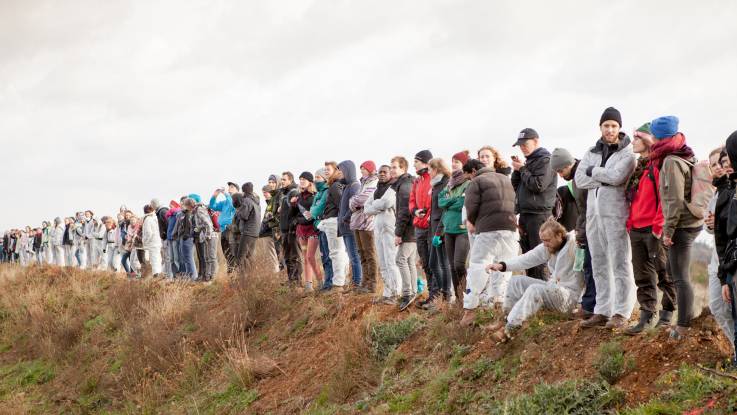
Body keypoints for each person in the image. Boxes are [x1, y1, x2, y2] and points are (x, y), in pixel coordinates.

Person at [576, 107, 637, 329]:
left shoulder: (628, 153)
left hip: (616, 214)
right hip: (594, 216)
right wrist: (604, 178)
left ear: (619, 128)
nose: (610, 129)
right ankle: (603, 309)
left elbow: (618, 176)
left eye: (614, 126)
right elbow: (580, 178)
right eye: (606, 125)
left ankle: (622, 311)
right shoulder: (591, 151)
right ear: (600, 127)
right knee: (599, 263)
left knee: (620, 262)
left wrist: (596, 173)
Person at [649, 116, 704, 339]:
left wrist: (668, 232)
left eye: (653, 135)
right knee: (676, 273)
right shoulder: (684, 152)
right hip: (689, 221)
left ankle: (683, 325)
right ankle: (683, 320)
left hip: (682, 225)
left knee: (680, 277)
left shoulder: (671, 161)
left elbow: (673, 200)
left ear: (659, 137)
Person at [486, 219, 583, 341]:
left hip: (569, 297)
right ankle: (506, 319)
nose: (545, 244)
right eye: (543, 241)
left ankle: (510, 329)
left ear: (559, 235)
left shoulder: (574, 245)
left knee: (535, 289)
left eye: (548, 240)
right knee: (516, 281)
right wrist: (502, 265)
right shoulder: (548, 247)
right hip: (555, 291)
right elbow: (527, 259)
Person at [623, 123, 677, 334]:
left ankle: (667, 314)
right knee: (642, 276)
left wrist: (658, 227)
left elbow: (665, 199)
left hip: (653, 229)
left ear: (646, 141)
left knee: (664, 273)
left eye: (636, 138)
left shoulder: (657, 165)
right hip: (636, 229)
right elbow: (634, 199)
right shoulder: (639, 167)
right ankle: (646, 317)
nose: (632, 142)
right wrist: (630, 222)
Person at [461, 159, 520, 326]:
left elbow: (470, 207)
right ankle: (499, 304)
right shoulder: (505, 179)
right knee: (504, 267)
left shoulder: (477, 181)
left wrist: (473, 221)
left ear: (473, 171)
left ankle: (470, 310)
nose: (468, 180)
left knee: (478, 266)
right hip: (510, 228)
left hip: (487, 229)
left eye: (467, 176)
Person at [550, 148, 595, 320]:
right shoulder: (577, 175)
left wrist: (580, 232)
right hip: (587, 227)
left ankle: (590, 306)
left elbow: (585, 209)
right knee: (588, 268)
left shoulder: (580, 176)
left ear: (569, 164)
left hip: (592, 228)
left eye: (561, 170)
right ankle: (589, 305)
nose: (561, 175)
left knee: (591, 269)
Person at [511, 128, 557, 280]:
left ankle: (543, 296)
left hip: (540, 216)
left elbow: (538, 185)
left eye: (525, 143)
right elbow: (516, 186)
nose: (523, 147)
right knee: (528, 257)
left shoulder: (545, 160)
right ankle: (532, 294)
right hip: (526, 214)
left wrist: (523, 169)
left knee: (539, 259)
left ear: (536, 141)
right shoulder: (529, 162)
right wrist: (517, 171)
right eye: (520, 145)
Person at [706, 147, 734, 347]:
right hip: (717, 259)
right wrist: (709, 224)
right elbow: (711, 228)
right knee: (716, 306)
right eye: (713, 165)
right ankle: (734, 347)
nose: (718, 168)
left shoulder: (732, 189)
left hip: (730, 259)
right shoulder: (716, 192)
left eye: (721, 163)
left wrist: (719, 222)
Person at [365, 164, 402, 304]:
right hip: (378, 229)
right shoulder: (376, 190)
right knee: (383, 262)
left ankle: (396, 292)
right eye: (380, 172)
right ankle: (387, 293)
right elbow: (366, 209)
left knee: (391, 261)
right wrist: (377, 205)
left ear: (390, 174)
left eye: (385, 172)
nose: (382, 174)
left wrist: (374, 205)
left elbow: (387, 203)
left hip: (390, 228)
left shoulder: (393, 188)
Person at [438, 151, 472, 304]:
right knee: (452, 266)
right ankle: (459, 299)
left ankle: (467, 295)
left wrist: (450, 201)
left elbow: (462, 204)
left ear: (464, 164)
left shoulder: (468, 182)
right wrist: (453, 200)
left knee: (459, 264)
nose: (453, 164)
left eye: (457, 162)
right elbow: (441, 202)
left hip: (462, 229)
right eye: (452, 161)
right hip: (448, 228)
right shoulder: (449, 183)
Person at [424, 158, 452, 310]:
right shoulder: (435, 185)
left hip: (441, 229)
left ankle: (446, 297)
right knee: (433, 264)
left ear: (436, 169)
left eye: (429, 169)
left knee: (443, 263)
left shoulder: (445, 183)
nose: (428, 172)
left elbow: (444, 209)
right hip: (433, 226)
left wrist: (439, 232)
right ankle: (442, 294)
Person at [316, 162, 349, 291]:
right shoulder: (334, 185)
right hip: (333, 221)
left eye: (328, 169)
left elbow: (341, 204)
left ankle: (338, 283)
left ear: (336, 170)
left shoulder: (335, 186)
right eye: (325, 170)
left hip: (334, 221)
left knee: (336, 253)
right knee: (339, 253)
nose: (326, 172)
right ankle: (341, 280)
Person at [392, 156, 418, 310]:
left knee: (400, 259)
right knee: (409, 261)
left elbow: (404, 212)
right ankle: (413, 291)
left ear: (403, 169)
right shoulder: (404, 184)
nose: (392, 170)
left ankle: (408, 293)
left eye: (395, 167)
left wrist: (398, 233)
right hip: (412, 230)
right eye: (392, 167)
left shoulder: (405, 186)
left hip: (408, 230)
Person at [350, 161, 379, 294]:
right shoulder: (363, 182)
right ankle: (365, 281)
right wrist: (354, 201)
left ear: (370, 169)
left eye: (364, 169)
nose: (362, 172)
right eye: (361, 170)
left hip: (367, 222)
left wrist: (354, 201)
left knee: (369, 253)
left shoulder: (374, 182)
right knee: (361, 252)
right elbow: (355, 200)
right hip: (357, 221)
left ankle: (372, 284)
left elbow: (364, 198)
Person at [410, 150, 434, 306]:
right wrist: (414, 211)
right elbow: (412, 200)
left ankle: (437, 296)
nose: (414, 165)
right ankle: (431, 294)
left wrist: (425, 216)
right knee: (425, 262)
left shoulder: (433, 179)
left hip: (430, 226)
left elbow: (435, 203)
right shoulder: (417, 181)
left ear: (426, 163)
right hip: (418, 225)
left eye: (416, 162)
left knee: (434, 262)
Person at [337, 160, 363, 291]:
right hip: (345, 228)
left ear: (347, 171)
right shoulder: (347, 186)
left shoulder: (354, 186)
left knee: (354, 257)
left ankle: (357, 283)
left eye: (340, 171)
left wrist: (344, 218)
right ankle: (355, 282)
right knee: (351, 256)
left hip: (350, 227)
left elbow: (355, 206)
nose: (339, 173)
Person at [293, 173, 322, 291]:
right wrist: (292, 204)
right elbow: (294, 215)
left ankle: (320, 281)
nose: (301, 181)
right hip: (301, 230)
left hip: (312, 230)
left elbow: (311, 215)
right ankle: (308, 284)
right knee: (305, 257)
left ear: (310, 181)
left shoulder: (315, 196)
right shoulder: (298, 197)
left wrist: (300, 219)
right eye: (300, 179)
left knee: (310, 257)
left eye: (304, 179)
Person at [309, 169, 335, 290]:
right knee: (324, 255)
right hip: (318, 226)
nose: (315, 180)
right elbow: (312, 209)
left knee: (329, 256)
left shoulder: (326, 191)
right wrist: (313, 212)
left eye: (318, 177)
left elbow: (318, 209)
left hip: (326, 225)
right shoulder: (318, 193)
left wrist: (313, 212)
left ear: (324, 178)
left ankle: (330, 282)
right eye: (315, 177)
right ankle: (327, 282)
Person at [279, 172, 303, 284]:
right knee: (287, 257)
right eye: (281, 179)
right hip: (284, 230)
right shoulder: (284, 193)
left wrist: (294, 224)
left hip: (292, 230)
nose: (282, 181)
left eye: (284, 179)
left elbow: (298, 210)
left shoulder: (294, 191)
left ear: (290, 180)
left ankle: (297, 281)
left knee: (295, 256)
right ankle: (291, 280)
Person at [209, 182, 238, 273]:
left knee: (233, 253)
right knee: (227, 254)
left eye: (232, 187)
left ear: (237, 190)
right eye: (229, 187)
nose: (229, 189)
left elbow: (231, 203)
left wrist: (225, 193)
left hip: (232, 229)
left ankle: (235, 274)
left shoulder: (237, 200)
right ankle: (230, 274)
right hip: (223, 230)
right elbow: (212, 206)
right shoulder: (225, 202)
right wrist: (214, 196)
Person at [233, 184, 262, 273]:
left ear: (244, 191)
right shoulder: (255, 201)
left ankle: (241, 280)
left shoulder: (247, 201)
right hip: (255, 232)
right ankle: (250, 278)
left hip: (247, 232)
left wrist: (238, 210)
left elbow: (244, 215)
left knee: (240, 257)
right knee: (248, 256)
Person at [193, 193, 216, 281]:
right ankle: (207, 276)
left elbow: (208, 223)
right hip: (204, 235)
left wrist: (208, 236)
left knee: (211, 256)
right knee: (207, 257)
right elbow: (202, 224)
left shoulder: (199, 209)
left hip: (210, 235)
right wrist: (198, 229)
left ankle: (213, 277)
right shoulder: (196, 210)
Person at [178, 198, 198, 280]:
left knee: (188, 257)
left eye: (184, 204)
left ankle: (193, 276)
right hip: (185, 237)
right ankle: (190, 275)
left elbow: (190, 226)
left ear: (187, 205)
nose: (182, 206)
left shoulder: (189, 214)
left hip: (187, 238)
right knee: (186, 258)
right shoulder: (185, 213)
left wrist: (187, 235)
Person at [141, 204, 163, 278]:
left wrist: (145, 241)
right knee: (158, 258)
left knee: (154, 259)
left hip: (152, 242)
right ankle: (159, 273)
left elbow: (148, 233)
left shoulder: (147, 219)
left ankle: (156, 274)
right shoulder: (155, 218)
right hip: (157, 240)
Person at [151, 199, 171, 277]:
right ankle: (166, 273)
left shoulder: (162, 211)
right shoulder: (159, 212)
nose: (151, 207)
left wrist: (165, 233)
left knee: (168, 256)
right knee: (166, 256)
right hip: (164, 237)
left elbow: (168, 223)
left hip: (166, 237)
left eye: (152, 205)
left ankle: (169, 274)